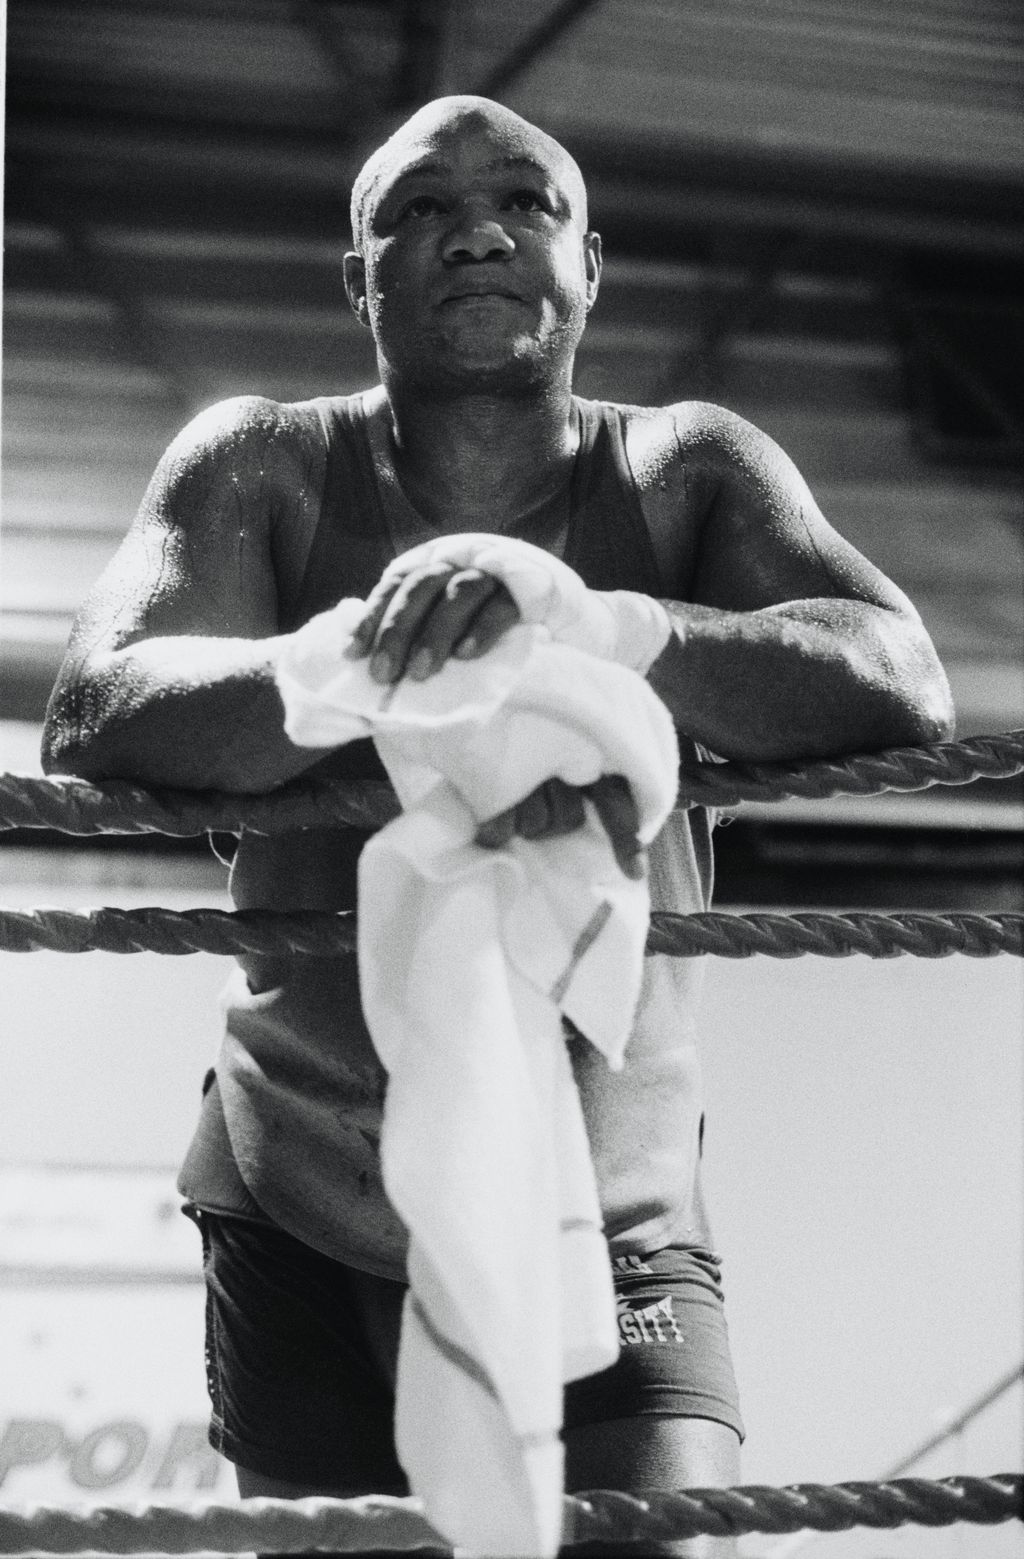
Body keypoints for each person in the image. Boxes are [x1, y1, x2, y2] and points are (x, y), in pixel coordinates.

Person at [42, 95, 953, 1557]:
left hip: (619, 1198)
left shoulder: (683, 469)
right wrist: (351, 663)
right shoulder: (263, 465)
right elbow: (100, 711)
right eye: (413, 208)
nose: (475, 227)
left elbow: (899, 683)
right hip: (302, 1182)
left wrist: (608, 627)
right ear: (360, 280)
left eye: (528, 201)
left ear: (592, 260)